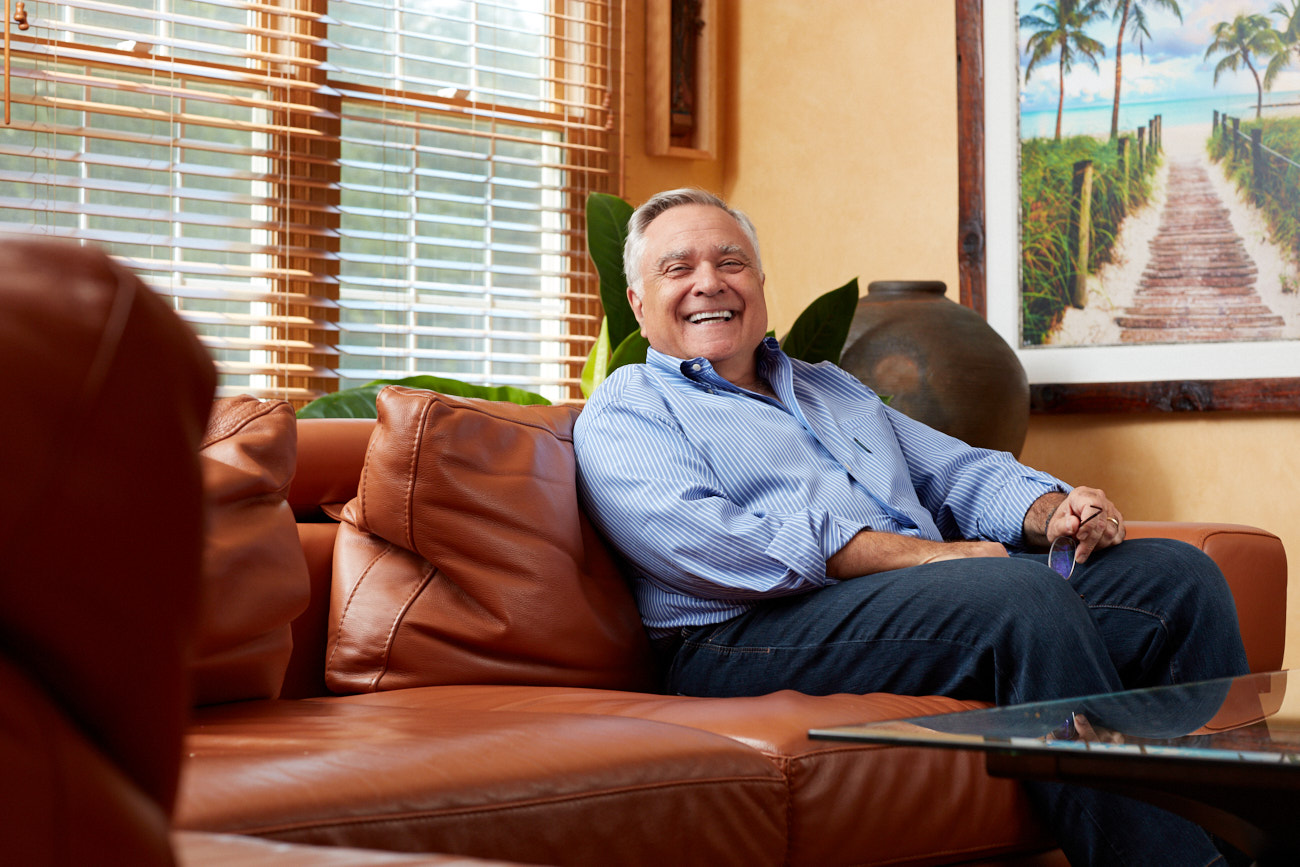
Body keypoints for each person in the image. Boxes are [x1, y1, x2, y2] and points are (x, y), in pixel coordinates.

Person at [573, 188, 1250, 866]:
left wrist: (1051, 510)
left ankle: (1247, 842)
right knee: (1016, 596)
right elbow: (704, 539)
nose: (709, 283)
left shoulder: (826, 386)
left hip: (908, 608)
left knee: (1176, 577)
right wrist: (923, 558)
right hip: (740, 635)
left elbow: (954, 471)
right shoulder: (628, 408)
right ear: (637, 301)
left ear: (759, 280)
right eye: (678, 268)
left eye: (731, 262)